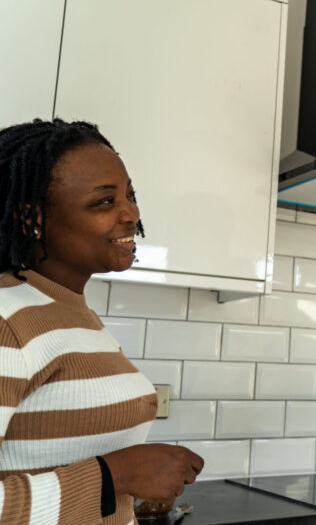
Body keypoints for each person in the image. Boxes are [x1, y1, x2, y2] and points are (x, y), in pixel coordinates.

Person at [0, 119, 204, 524]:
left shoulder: (69, 310)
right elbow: (110, 474)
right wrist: (119, 474)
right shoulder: (7, 319)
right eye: (105, 202)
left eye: (129, 195)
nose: (132, 213)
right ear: (31, 218)